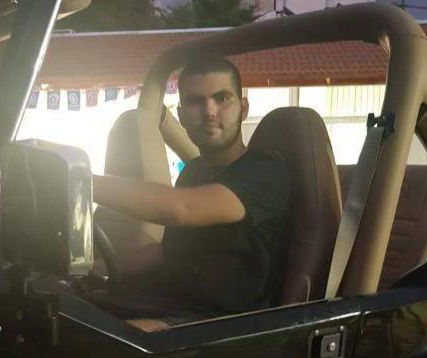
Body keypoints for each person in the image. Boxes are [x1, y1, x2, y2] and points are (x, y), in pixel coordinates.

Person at [90, 55, 290, 328]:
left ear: (243, 108)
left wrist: (80, 181)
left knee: (98, 342)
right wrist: (99, 268)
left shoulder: (265, 170)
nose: (210, 112)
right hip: (170, 303)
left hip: (226, 324)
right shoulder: (194, 172)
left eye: (222, 99)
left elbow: (182, 209)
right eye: (196, 102)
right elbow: (168, 253)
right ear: (182, 116)